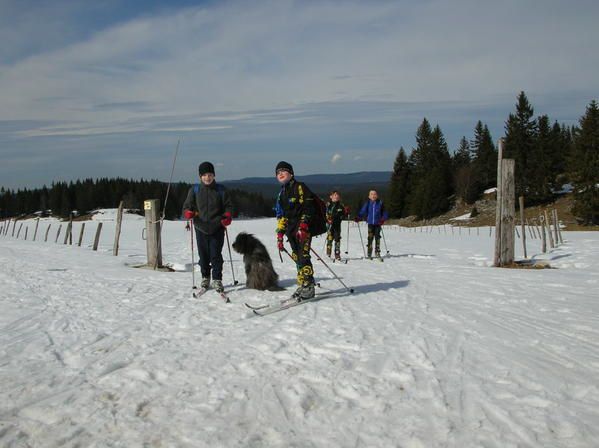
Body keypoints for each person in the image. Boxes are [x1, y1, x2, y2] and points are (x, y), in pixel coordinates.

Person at [183, 161, 233, 292]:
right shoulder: (195, 190)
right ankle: (205, 277)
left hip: (217, 226)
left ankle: (217, 279)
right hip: (200, 227)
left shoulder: (221, 190)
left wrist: (227, 216)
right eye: (204, 175)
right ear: (200, 176)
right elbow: (187, 206)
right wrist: (188, 213)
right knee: (203, 255)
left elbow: (228, 206)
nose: (207, 177)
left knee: (215, 254)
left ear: (214, 175)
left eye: (210, 174)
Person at [274, 161, 318, 300]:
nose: (280, 173)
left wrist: (304, 225)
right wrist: (280, 236)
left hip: (303, 229)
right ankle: (302, 284)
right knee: (297, 256)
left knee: (303, 256)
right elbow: (282, 217)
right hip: (291, 231)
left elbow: (309, 206)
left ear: (291, 173)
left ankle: (309, 286)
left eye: (283, 171)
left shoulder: (300, 187)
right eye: (277, 172)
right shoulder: (282, 193)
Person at [355, 189, 388, 260]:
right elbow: (363, 211)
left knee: (377, 237)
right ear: (369, 196)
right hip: (370, 223)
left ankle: (377, 251)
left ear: (377, 196)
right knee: (370, 237)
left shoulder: (380, 203)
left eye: (375, 194)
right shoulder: (368, 203)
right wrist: (358, 217)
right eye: (371, 194)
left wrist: (383, 219)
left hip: (378, 223)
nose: (373, 195)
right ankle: (369, 252)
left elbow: (385, 213)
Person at [325, 190, 349, 261]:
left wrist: (346, 212)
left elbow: (343, 215)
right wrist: (328, 219)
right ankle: (328, 253)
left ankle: (337, 253)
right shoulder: (328, 205)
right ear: (331, 196)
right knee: (329, 238)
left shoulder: (341, 206)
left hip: (337, 225)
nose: (336, 196)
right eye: (335, 195)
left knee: (337, 239)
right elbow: (325, 213)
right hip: (329, 225)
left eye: (337, 195)